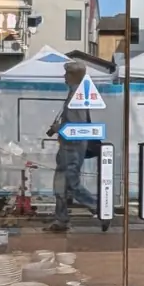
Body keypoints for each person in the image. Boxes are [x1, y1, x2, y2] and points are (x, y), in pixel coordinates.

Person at [46, 60, 99, 232]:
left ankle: (100, 209)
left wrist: (57, 128)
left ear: (73, 76)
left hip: (72, 147)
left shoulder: (77, 96)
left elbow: (77, 125)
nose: (64, 76)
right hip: (69, 147)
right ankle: (61, 220)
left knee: (70, 183)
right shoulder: (75, 94)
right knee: (61, 184)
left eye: (67, 73)